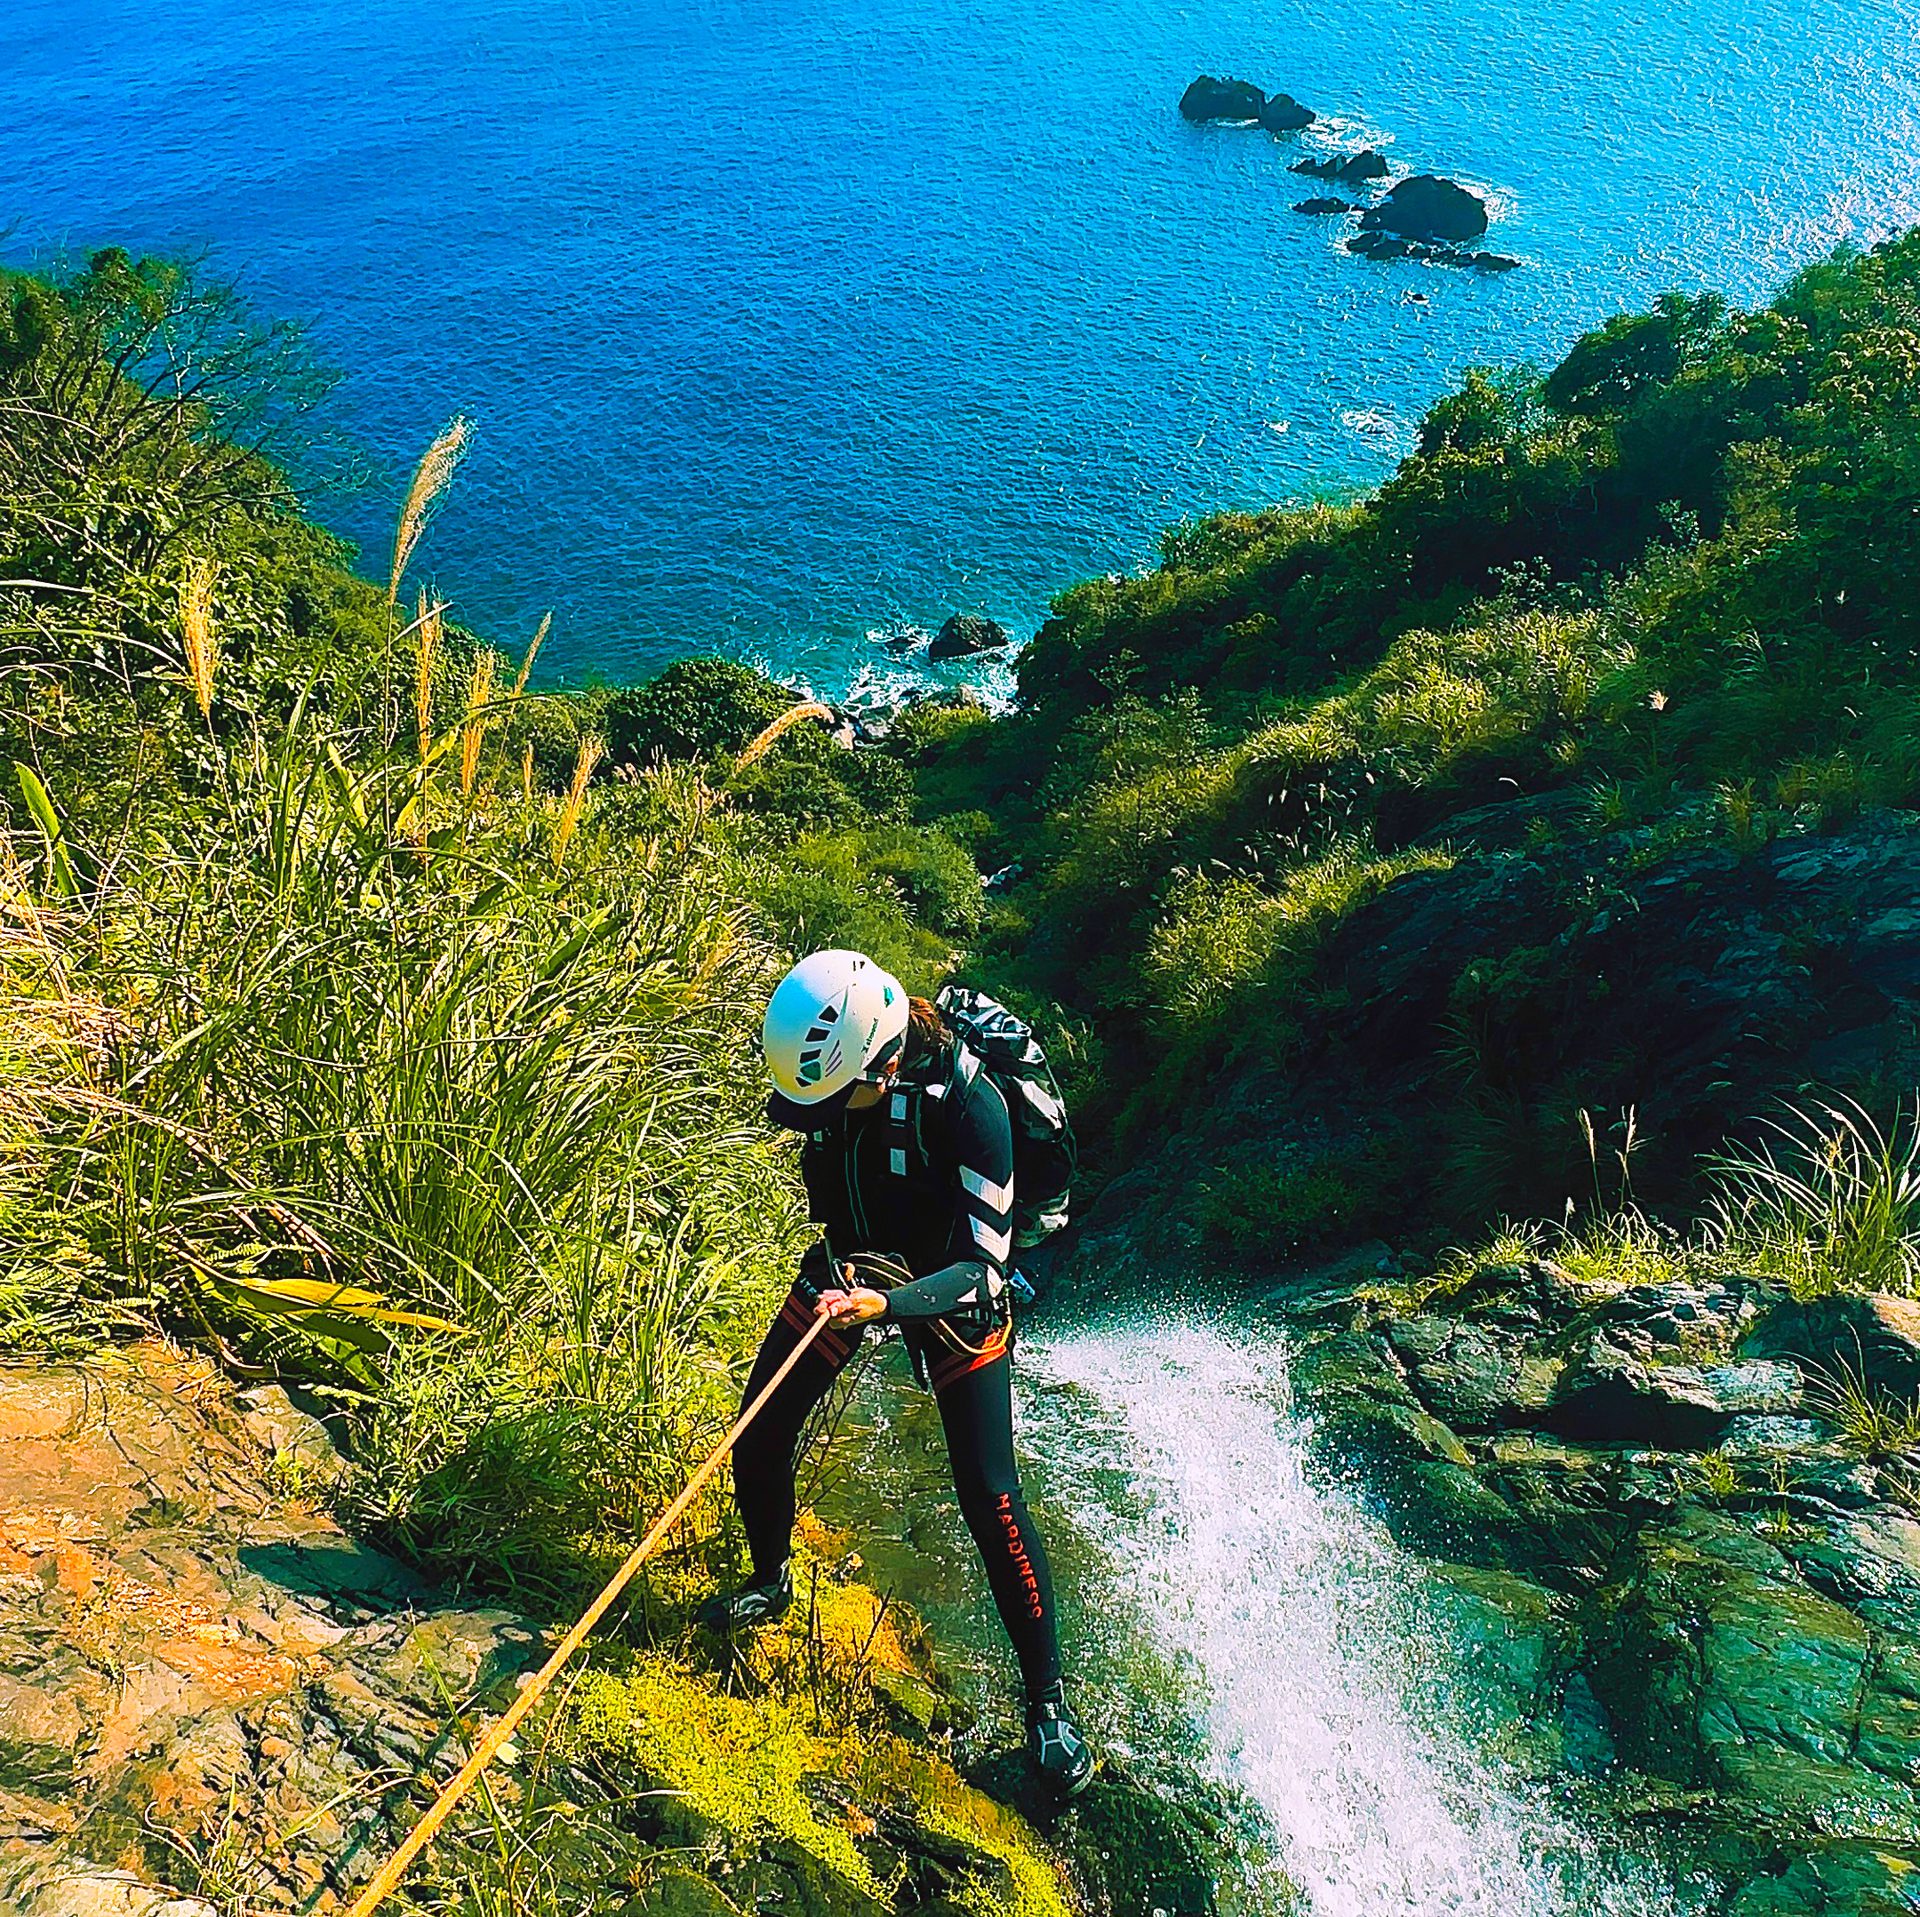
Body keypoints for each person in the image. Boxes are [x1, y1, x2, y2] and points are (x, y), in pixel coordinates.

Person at [702, 948, 1094, 1796]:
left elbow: (984, 1272)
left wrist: (887, 1308)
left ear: (880, 1063)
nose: (813, 1116)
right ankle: (769, 1582)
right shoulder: (834, 1083)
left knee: (988, 1496)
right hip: (856, 1267)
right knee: (758, 1435)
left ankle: (1050, 1709)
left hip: (953, 1289)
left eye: (830, 1098)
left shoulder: (973, 1109)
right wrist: (859, 1290)